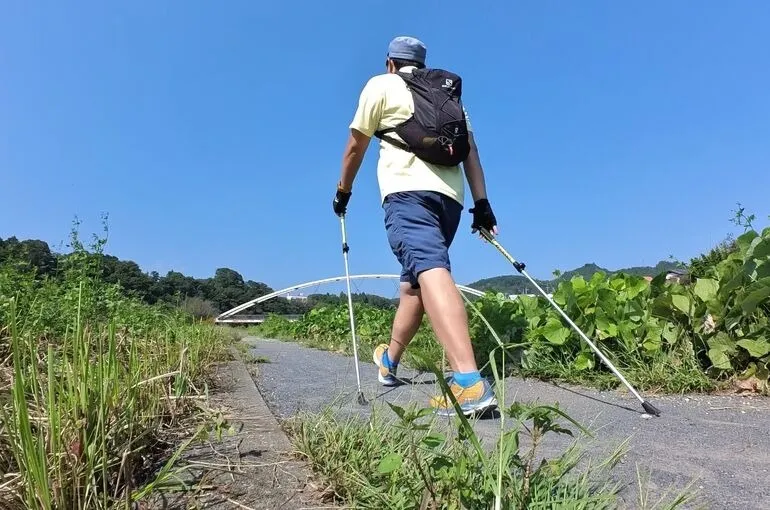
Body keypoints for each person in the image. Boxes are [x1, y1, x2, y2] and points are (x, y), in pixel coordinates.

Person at [332, 35, 499, 416]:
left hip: (407, 193)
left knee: (430, 269)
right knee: (413, 285)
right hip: (451, 201)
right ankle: (389, 361)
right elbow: (470, 155)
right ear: (422, 65)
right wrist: (482, 204)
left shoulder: (381, 84)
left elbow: (355, 146)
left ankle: (469, 383)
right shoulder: (448, 98)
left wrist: (343, 191)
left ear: (390, 62)